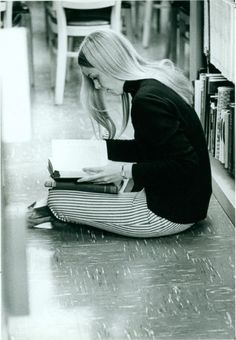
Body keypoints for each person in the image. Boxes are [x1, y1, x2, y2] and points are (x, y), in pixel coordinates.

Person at [29, 29, 212, 238]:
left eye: (95, 77)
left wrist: (125, 171)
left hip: (166, 214)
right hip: (186, 205)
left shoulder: (146, 102)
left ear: (110, 64)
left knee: (57, 200)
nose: (97, 86)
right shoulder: (152, 85)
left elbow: (187, 164)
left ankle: (46, 211)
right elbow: (150, 147)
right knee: (69, 189)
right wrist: (98, 148)